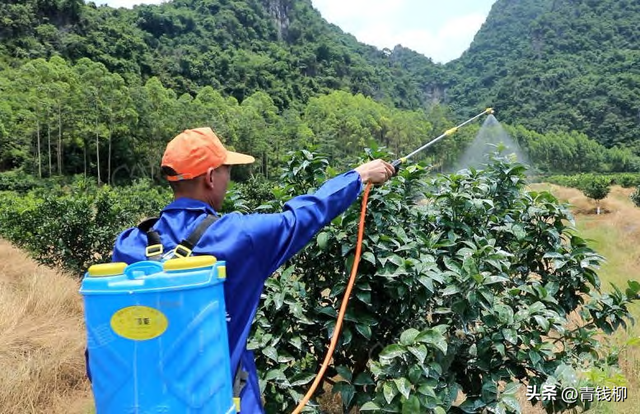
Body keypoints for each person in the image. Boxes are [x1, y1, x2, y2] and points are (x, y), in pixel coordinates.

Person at [111, 127, 395, 413]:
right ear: (210, 177)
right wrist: (359, 176)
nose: (228, 179)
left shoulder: (128, 245)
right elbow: (304, 215)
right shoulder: (239, 237)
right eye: (226, 171)